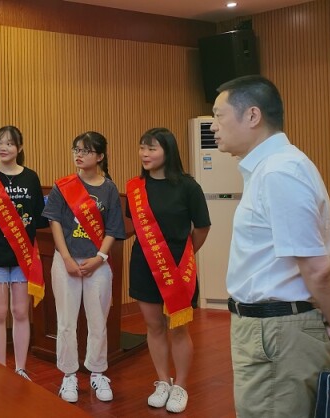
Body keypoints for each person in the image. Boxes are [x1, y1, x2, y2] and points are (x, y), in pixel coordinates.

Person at [211, 74, 330, 417]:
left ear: (252, 115)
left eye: (218, 115)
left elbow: (318, 271)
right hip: (271, 332)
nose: (214, 126)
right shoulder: (270, 168)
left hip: (278, 334)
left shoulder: (280, 171)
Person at [125, 128, 210, 413]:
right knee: (153, 326)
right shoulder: (136, 187)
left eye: (152, 148)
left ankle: (181, 385)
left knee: (179, 328)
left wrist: (185, 255)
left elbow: (202, 227)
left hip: (178, 267)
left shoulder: (188, 186)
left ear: (168, 151)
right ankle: (163, 381)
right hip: (144, 264)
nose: (145, 154)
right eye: (142, 148)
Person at [42, 131, 126, 403]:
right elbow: (54, 222)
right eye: (76, 149)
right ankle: (68, 375)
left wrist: (100, 257)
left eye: (86, 150)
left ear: (100, 156)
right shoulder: (64, 186)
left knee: (98, 321)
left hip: (97, 263)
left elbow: (114, 228)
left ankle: (97, 372)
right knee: (66, 322)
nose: (79, 155)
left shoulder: (109, 189)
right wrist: (66, 258)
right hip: (65, 261)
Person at [0, 125, 48, 380]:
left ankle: (20, 368)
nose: (3, 147)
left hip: (23, 258)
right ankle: (1, 369)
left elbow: (37, 219)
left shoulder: (31, 178)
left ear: (20, 147)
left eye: (10, 143)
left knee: (21, 313)